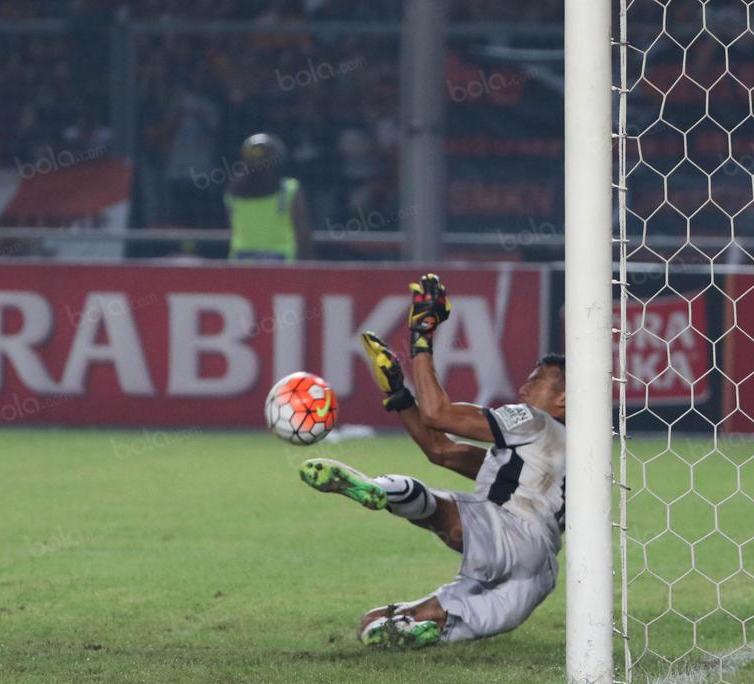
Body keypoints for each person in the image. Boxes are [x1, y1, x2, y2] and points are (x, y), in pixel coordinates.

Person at [298, 274, 566, 648]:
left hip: (503, 531)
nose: (523, 389)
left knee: (434, 506)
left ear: (564, 400)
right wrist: (399, 395)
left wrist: (421, 337)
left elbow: (439, 414)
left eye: (536, 381)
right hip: (537, 571)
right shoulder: (556, 455)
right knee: (379, 623)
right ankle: (428, 628)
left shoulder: (533, 420)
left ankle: (381, 490)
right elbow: (441, 450)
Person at [225, 133, 313, 261]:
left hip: (241, 266)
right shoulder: (290, 190)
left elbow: (232, 227)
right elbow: (303, 235)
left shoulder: (233, 192)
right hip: (280, 268)